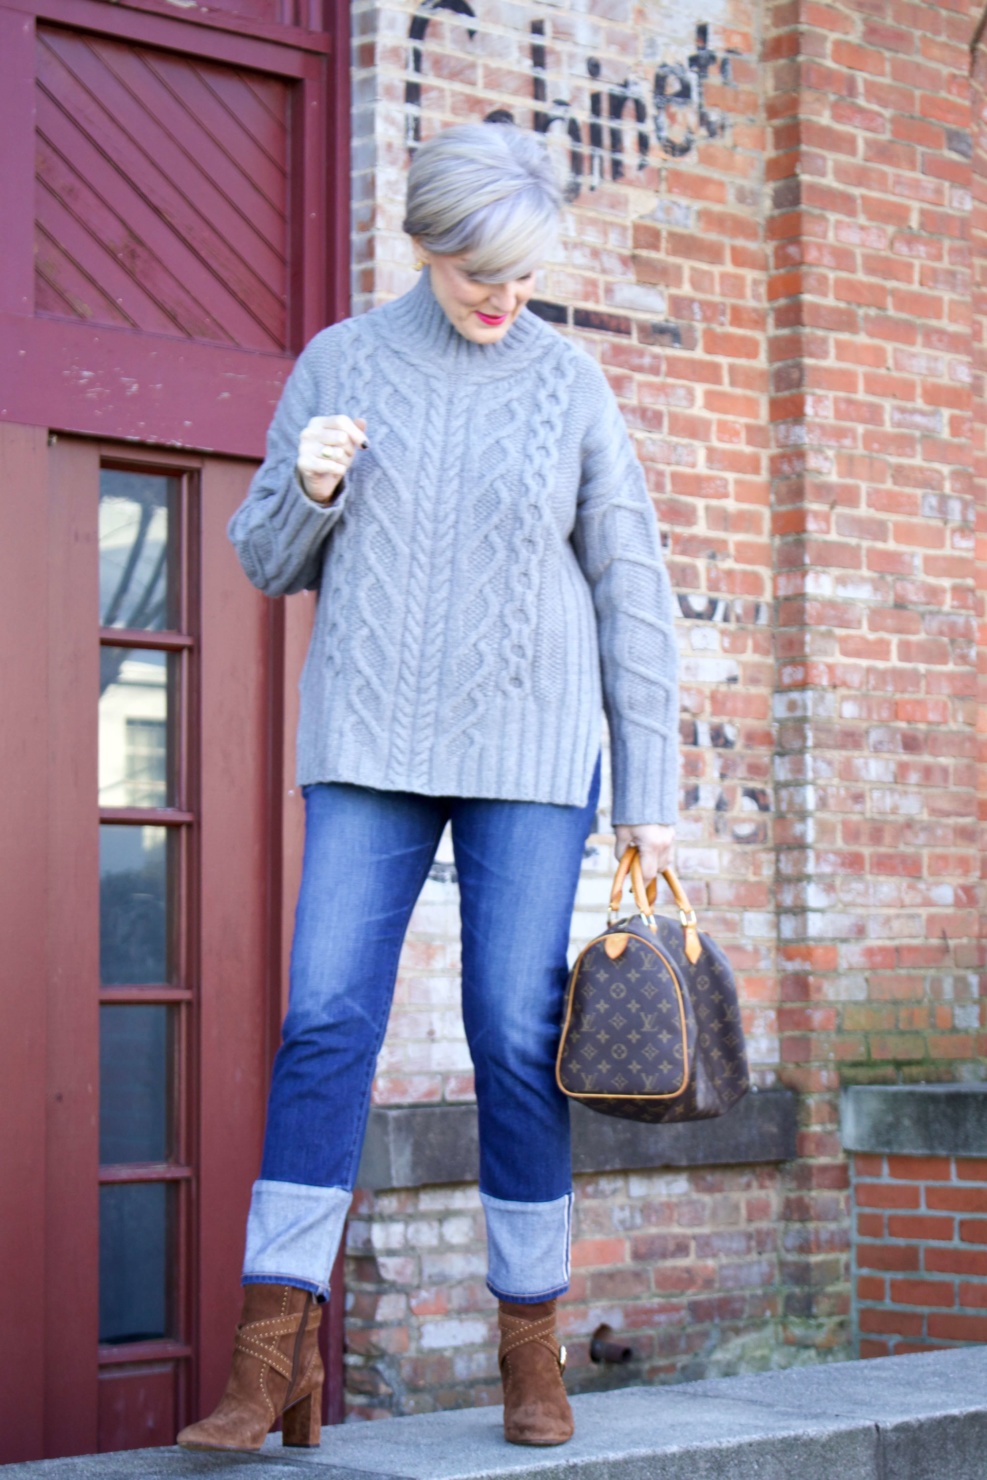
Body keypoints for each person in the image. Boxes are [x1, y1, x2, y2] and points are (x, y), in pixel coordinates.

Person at [177, 121, 678, 1455]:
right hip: (369, 746)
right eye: (474, 270)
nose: (500, 294)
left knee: (516, 1034)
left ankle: (533, 1351)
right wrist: (313, 483)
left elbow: (631, 583)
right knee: (325, 1022)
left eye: (520, 270)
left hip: (528, 755)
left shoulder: (569, 385)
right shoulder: (338, 362)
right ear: (421, 245)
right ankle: (270, 1355)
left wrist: (650, 790)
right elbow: (265, 558)